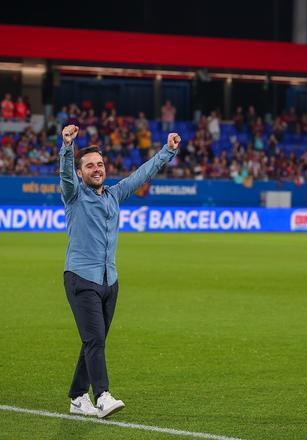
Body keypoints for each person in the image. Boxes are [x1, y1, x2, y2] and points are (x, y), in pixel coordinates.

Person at [59, 124, 180, 418]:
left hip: (109, 281)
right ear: (80, 172)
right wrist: (66, 147)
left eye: (99, 164)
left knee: (94, 340)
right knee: (95, 339)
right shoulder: (74, 195)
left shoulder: (113, 195)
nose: (96, 169)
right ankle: (101, 395)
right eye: (89, 166)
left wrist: (168, 151)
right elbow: (64, 174)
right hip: (81, 278)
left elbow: (141, 175)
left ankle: (77, 396)